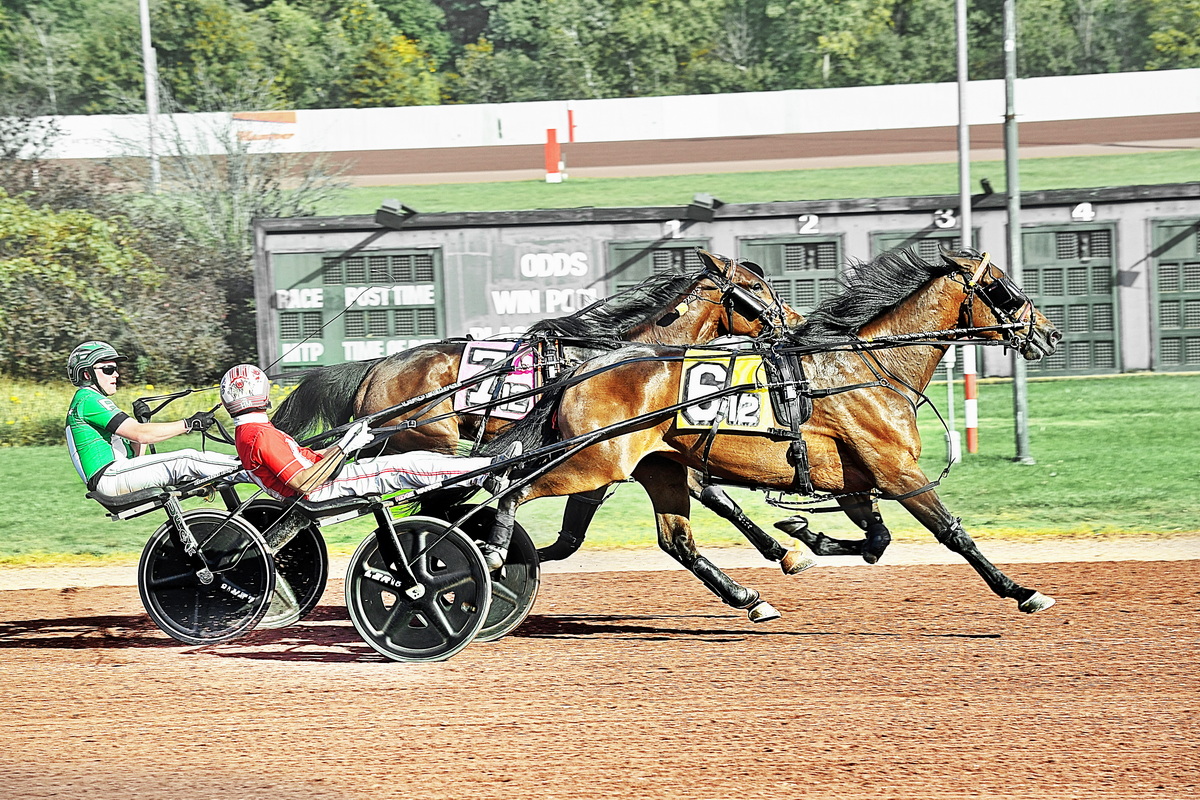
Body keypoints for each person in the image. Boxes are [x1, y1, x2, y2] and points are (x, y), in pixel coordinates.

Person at [219, 363, 520, 506]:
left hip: (324, 482)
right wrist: (344, 449)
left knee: (414, 461)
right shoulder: (259, 436)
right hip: (321, 490)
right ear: (264, 397)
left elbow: (306, 463)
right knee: (408, 466)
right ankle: (488, 471)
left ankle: (486, 469)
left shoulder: (252, 432)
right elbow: (303, 482)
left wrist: (342, 443)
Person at [66, 341, 241, 497]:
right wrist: (188, 424)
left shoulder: (90, 401)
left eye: (115, 369)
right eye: (108, 369)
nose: (116, 375)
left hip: (116, 475)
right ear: (87, 374)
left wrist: (143, 422)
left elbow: (136, 454)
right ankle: (253, 469)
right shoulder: (88, 400)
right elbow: (141, 435)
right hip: (111, 477)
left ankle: (246, 469)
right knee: (186, 460)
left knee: (191, 462)